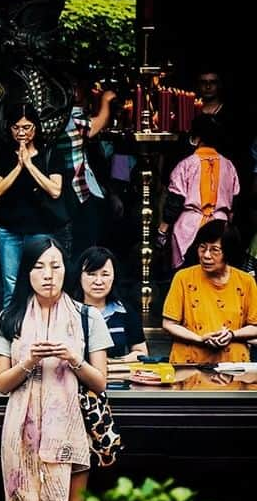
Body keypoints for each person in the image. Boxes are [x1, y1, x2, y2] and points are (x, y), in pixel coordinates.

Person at [0, 236, 110, 501]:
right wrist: (28, 361)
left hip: (71, 436)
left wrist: (74, 359)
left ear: (65, 270)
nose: (48, 275)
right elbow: (1, 384)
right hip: (22, 437)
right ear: (26, 272)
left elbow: (100, 382)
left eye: (55, 266)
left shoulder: (88, 317)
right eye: (39, 266)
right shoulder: (9, 319)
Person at [0, 105, 67, 304]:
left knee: (42, 282)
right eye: (16, 127)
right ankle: (11, 331)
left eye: (27, 127)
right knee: (11, 286)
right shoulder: (4, 153)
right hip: (9, 228)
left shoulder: (50, 152)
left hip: (40, 228)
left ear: (36, 127)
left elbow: (55, 190)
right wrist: (18, 166)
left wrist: (30, 165)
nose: (21, 133)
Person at [161, 220, 257, 364]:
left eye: (214, 250)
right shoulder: (183, 278)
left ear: (228, 252)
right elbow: (169, 324)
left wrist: (232, 334)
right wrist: (199, 339)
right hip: (188, 364)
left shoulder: (246, 281)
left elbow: (255, 326)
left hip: (233, 367)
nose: (206, 255)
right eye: (202, 247)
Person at [157, 114, 239, 270]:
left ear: (196, 138)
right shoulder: (229, 166)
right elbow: (234, 203)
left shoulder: (186, 165)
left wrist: (162, 231)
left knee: (189, 273)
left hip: (189, 228)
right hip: (220, 227)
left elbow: (175, 201)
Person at [55, 77, 113, 255]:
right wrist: (105, 100)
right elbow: (96, 124)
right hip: (72, 187)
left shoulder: (60, 115)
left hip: (73, 186)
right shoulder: (67, 119)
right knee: (81, 240)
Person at [74, 247, 147, 361]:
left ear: (114, 277)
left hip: (115, 376)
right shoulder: (68, 310)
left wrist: (115, 362)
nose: (98, 281)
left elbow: (141, 352)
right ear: (80, 276)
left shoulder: (125, 311)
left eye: (105, 274)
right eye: (91, 274)